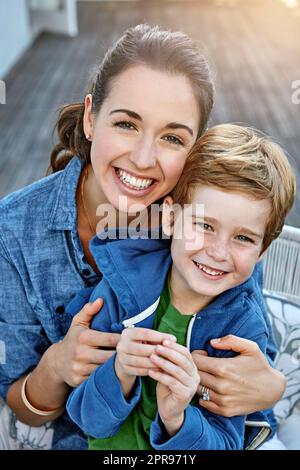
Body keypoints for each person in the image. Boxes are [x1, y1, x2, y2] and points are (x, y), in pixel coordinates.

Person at [0, 24, 285, 450]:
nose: (144, 158)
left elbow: (251, 346)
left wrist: (270, 388)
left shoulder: (211, 223)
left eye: (172, 137)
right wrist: (56, 366)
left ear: (194, 149)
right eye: (127, 124)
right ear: (92, 117)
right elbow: (20, 406)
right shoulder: (13, 231)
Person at [65, 124, 296, 450]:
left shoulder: (242, 331)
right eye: (204, 225)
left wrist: (178, 419)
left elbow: (227, 443)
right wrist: (119, 371)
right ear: (171, 219)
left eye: (243, 238)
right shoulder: (122, 290)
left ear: (263, 252)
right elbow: (88, 420)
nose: (218, 252)